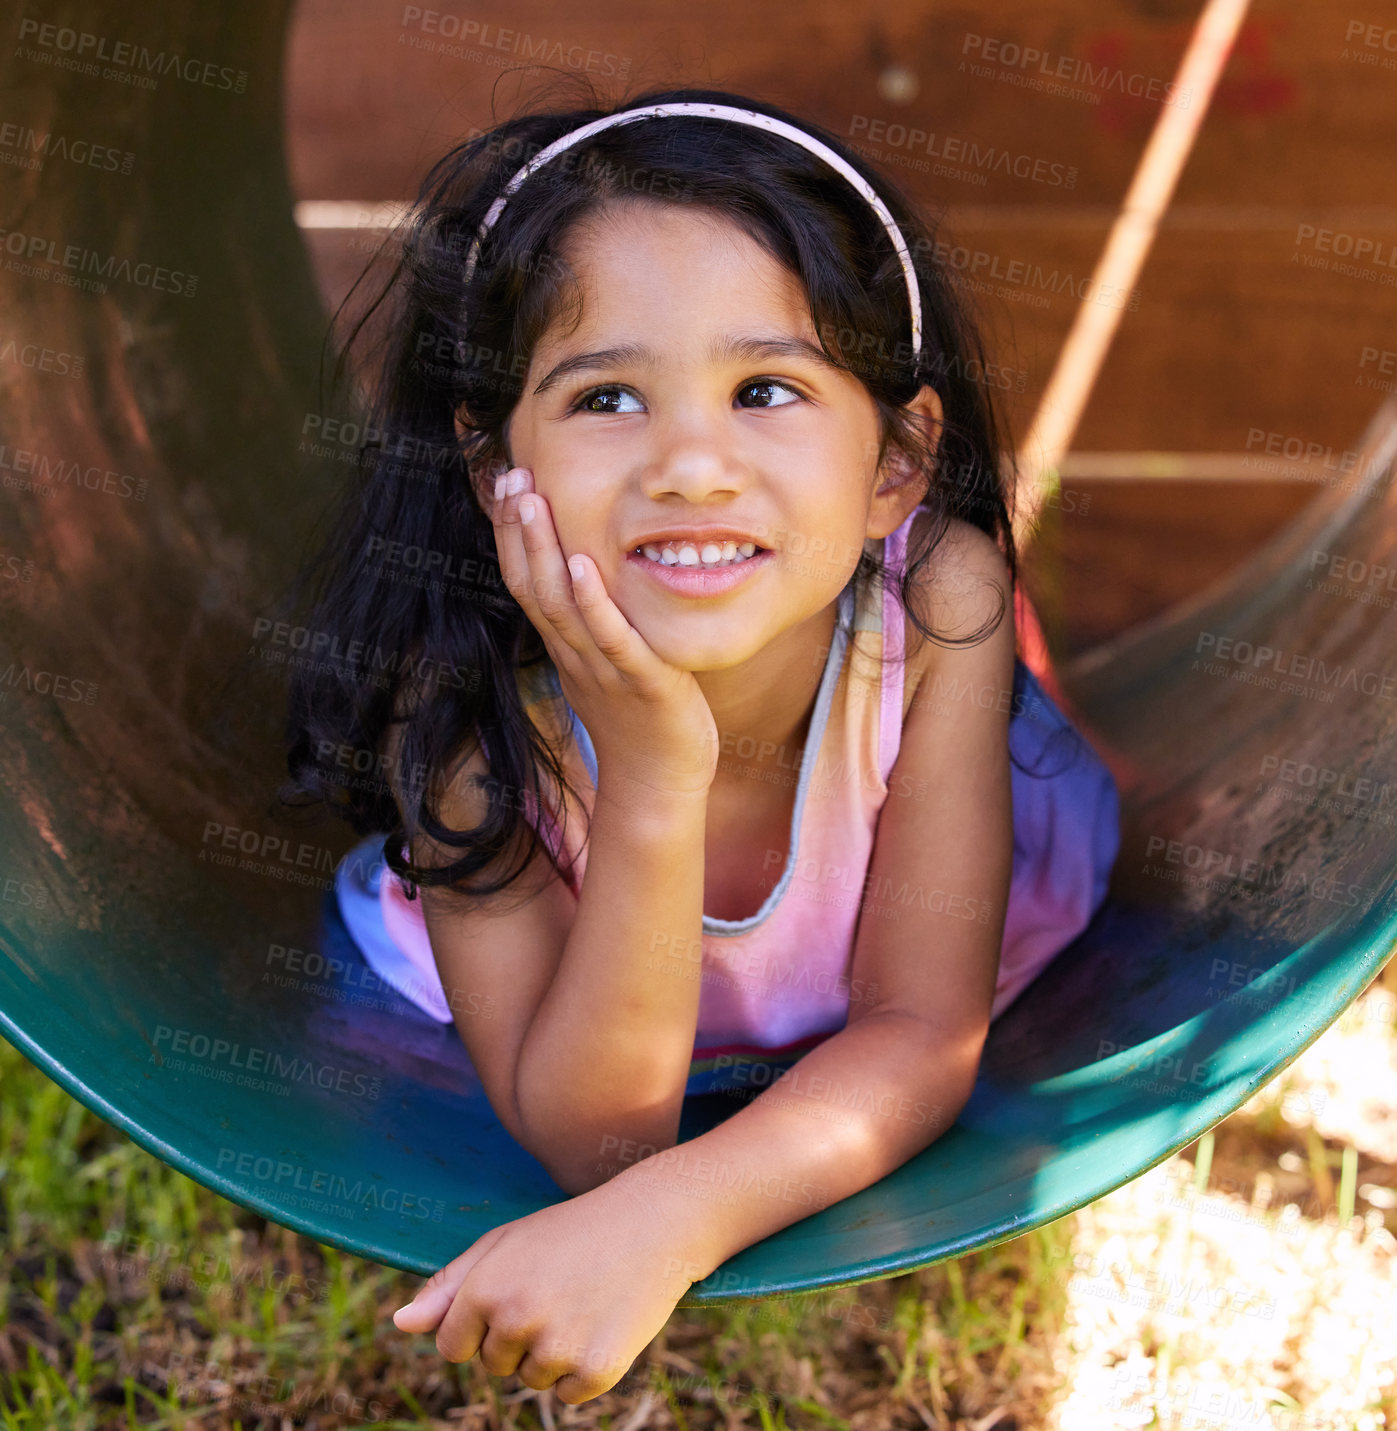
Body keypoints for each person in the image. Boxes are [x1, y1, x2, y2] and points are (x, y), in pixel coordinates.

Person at [280, 81, 1120, 1404]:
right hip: (595, 979)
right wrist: (655, 776)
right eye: (606, 400)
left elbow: (916, 1031)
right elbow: (597, 1148)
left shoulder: (931, 598)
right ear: (494, 458)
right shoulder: (465, 710)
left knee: (1044, 766)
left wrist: (677, 1224)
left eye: (765, 389)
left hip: (919, 882)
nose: (689, 465)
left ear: (896, 460)